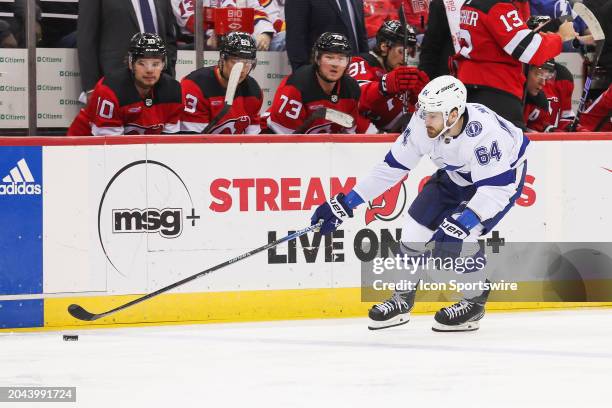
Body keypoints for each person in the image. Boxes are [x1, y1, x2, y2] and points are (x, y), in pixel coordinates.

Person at [310, 75, 529, 332]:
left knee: (463, 237)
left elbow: (495, 189)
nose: (426, 120)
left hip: (500, 182)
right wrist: (346, 203)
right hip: (456, 174)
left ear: (454, 113)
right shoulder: (426, 121)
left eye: (433, 115)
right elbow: (392, 167)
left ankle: (474, 302)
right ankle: (402, 299)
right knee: (414, 229)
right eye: (424, 113)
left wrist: (462, 224)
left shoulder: (486, 135)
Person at [454, 0, 577, 128]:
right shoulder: (498, 5)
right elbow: (530, 50)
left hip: (472, 87)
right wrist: (560, 37)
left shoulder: (473, 3)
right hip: (496, 93)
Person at [67, 33, 182, 136]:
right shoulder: (110, 90)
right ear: (131, 64)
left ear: (163, 65)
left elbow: (168, 144)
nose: (149, 70)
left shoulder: (173, 91)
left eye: (155, 64)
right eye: (142, 63)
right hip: (83, 148)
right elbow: (109, 146)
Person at [77, 0, 178, 104]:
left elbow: (169, 38)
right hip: (115, 85)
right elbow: (86, 38)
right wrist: (91, 88)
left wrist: (169, 75)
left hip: (158, 86)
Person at [266, 32, 361, 134]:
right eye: (329, 57)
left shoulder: (352, 88)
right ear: (317, 59)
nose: (335, 64)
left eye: (341, 59)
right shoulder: (296, 87)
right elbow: (283, 140)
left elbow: (349, 133)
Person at [348, 20, 429, 133]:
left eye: (410, 53)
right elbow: (354, 98)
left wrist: (422, 98)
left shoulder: (398, 72)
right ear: (384, 47)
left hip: (399, 135)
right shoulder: (361, 62)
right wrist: (384, 85)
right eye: (401, 52)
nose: (405, 59)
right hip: (365, 137)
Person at [180, 32, 263, 134]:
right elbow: (193, 142)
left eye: (247, 62)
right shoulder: (195, 85)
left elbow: (253, 141)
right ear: (222, 59)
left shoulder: (254, 91)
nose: (242, 69)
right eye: (236, 61)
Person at [285, 0, 368, 70]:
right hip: (319, 78)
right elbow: (295, 39)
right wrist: (303, 75)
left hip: (357, 74)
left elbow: (361, 36)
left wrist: (366, 66)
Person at [523, 59, 575, 132]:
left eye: (546, 77)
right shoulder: (511, 92)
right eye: (539, 74)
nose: (543, 83)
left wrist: (570, 128)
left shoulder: (563, 77)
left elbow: (566, 115)